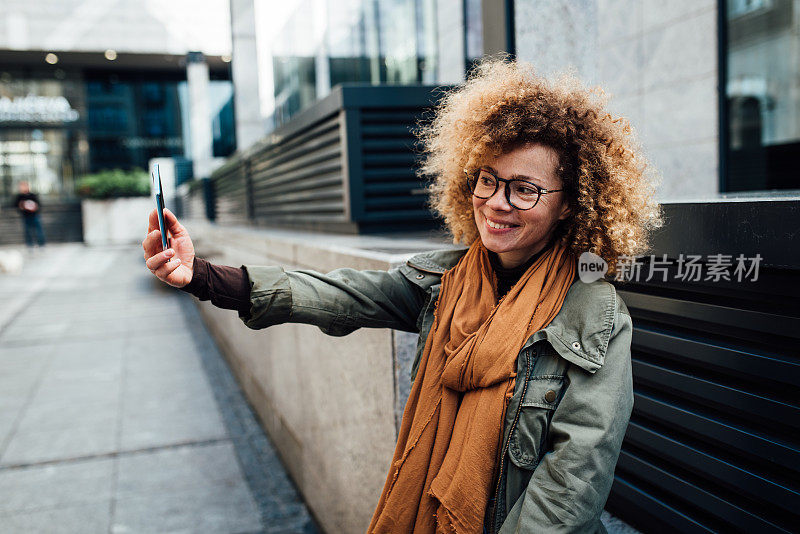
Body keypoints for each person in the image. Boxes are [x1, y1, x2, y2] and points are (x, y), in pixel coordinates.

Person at [143, 59, 660, 533]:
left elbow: (576, 476)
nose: (496, 204)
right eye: (487, 180)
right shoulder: (444, 281)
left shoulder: (594, 312)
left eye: (525, 189)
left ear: (570, 204)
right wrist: (203, 276)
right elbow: (337, 293)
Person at [14, 181, 46, 249]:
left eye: (24, 186)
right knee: (27, 231)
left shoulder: (32, 195)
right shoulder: (19, 196)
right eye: (21, 186)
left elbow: (38, 204)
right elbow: (16, 205)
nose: (23, 188)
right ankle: (30, 245)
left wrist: (34, 207)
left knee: (39, 231)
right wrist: (21, 206)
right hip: (26, 216)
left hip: (35, 215)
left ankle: (41, 244)